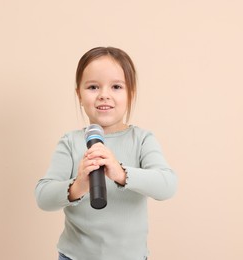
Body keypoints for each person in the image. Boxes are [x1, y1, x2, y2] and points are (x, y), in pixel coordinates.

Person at [35, 47, 177, 260]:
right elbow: (43, 197)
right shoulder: (70, 142)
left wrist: (121, 173)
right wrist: (78, 186)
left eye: (116, 87)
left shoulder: (141, 139)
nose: (104, 95)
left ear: (131, 94)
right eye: (93, 87)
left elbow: (167, 185)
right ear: (79, 95)